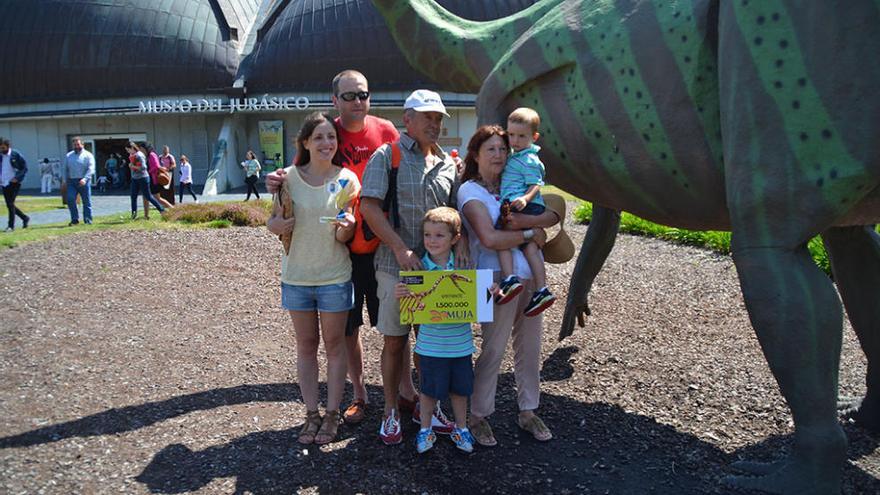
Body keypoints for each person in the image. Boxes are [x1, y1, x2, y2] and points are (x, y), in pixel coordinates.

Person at [266, 70, 411, 426]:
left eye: (362, 94)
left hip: (381, 247)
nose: (357, 101)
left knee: (397, 325)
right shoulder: (326, 133)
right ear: (335, 101)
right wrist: (274, 180)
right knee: (348, 330)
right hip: (341, 252)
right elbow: (297, 173)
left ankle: (407, 391)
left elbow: (406, 172)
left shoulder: (386, 131)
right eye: (348, 96)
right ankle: (359, 395)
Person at [359, 89, 466, 445]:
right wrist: (401, 248)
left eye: (438, 118)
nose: (434, 124)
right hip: (394, 266)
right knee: (395, 340)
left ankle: (427, 407)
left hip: (436, 272)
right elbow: (370, 207)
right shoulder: (386, 156)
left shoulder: (448, 163)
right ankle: (390, 411)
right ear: (408, 119)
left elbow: (454, 216)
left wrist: (460, 249)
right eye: (427, 117)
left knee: (429, 346)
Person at [457, 125, 560, 447]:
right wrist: (531, 233)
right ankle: (478, 415)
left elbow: (551, 214)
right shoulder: (469, 192)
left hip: (529, 275)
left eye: (503, 148)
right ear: (476, 154)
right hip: (494, 280)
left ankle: (528, 410)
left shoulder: (515, 185)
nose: (499, 154)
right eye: (491, 149)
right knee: (493, 348)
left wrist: (533, 224)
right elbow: (488, 238)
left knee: (530, 348)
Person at [266, 112, 359, 445]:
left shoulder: (348, 180)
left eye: (331, 137)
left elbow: (345, 238)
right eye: (318, 137)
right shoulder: (286, 178)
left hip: (335, 276)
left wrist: (347, 229)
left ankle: (332, 415)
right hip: (297, 277)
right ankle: (311, 414)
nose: (326, 143)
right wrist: (272, 226)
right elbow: (274, 221)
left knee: (335, 347)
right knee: (306, 347)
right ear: (305, 142)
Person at [395, 207, 478, 454]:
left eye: (439, 235)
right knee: (429, 391)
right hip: (429, 344)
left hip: (461, 344)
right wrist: (402, 295)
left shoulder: (465, 267)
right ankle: (425, 430)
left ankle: (461, 429)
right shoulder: (418, 271)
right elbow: (410, 308)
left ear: (455, 238)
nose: (432, 240)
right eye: (427, 235)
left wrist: (489, 290)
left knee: (460, 390)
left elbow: (479, 300)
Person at [495, 107, 556, 316]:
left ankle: (510, 278)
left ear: (534, 137)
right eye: (511, 135)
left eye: (522, 136)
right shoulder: (516, 155)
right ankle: (542, 289)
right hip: (521, 203)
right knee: (530, 248)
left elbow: (536, 184)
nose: (515, 140)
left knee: (501, 238)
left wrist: (525, 198)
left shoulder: (529, 159)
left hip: (524, 203)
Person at [126, 141, 165, 220]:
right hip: (135, 178)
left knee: (148, 196)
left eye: (128, 150)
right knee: (133, 196)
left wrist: (133, 166)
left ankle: (161, 209)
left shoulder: (140, 155)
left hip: (143, 178)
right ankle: (134, 215)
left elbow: (144, 167)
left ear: (132, 148)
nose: (128, 152)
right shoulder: (132, 155)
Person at [62, 137, 95, 226]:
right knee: (70, 199)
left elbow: (91, 169)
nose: (76, 146)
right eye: (75, 145)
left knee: (86, 201)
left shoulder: (88, 155)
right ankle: (74, 220)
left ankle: (88, 220)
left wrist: (85, 179)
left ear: (82, 145)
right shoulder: (69, 156)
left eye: (78, 144)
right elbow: (65, 169)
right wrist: (64, 181)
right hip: (71, 182)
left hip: (84, 181)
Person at [0, 137, 30, 232]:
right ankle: (25, 218)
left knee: (10, 204)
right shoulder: (0, 156)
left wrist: (17, 178)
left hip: (14, 182)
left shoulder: (15, 154)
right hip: (4, 182)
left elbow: (24, 168)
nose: (2, 150)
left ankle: (11, 226)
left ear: (8, 147)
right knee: (9, 204)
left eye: (3, 148)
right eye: (0, 148)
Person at [144, 143, 173, 210]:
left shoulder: (152, 154)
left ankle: (172, 209)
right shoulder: (149, 155)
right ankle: (146, 215)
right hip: (151, 179)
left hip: (154, 179)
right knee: (146, 197)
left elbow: (157, 166)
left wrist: (148, 172)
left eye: (142, 149)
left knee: (157, 198)